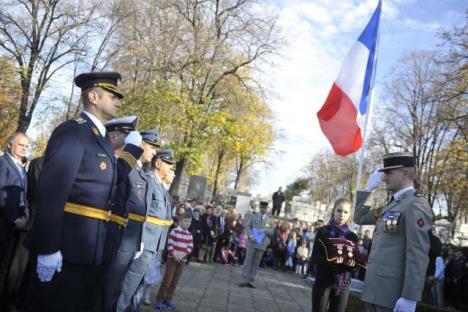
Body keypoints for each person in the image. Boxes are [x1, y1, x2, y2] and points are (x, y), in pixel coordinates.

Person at [22, 72, 143, 312]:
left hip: (90, 250)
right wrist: (48, 248)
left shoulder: (99, 139)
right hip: (65, 248)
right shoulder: (74, 132)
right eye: (113, 95)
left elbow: (111, 179)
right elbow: (52, 193)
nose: (118, 101)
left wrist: (130, 151)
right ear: (93, 96)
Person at [354, 152, 433, 312]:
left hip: (392, 297)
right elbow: (360, 218)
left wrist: (410, 297)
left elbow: (417, 254)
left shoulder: (416, 205)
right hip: (374, 291)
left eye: (388, 173)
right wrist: (368, 189)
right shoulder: (391, 205)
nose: (383, 178)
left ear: (405, 173)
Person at [102, 120, 159, 311]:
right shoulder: (127, 169)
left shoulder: (139, 172)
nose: (154, 152)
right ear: (140, 145)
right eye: (151, 146)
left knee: (118, 287)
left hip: (131, 237)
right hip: (122, 235)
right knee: (109, 287)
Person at [116, 149, 175, 312]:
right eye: (168, 164)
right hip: (144, 241)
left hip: (153, 244)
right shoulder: (149, 181)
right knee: (130, 283)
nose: (171, 168)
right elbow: (143, 213)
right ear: (158, 164)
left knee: (139, 284)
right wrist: (139, 240)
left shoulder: (161, 187)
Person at [311, 198, 362, 312]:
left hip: (342, 285)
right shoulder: (323, 232)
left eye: (345, 212)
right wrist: (332, 260)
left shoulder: (352, 237)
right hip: (323, 282)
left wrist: (352, 264)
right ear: (334, 211)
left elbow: (355, 262)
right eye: (339, 211)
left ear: (349, 215)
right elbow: (315, 257)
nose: (342, 215)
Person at [0, 132, 30, 309]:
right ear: (10, 145)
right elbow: (2, 194)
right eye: (21, 145)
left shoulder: (21, 167)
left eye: (27, 146)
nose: (24, 148)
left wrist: (25, 215)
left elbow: (23, 196)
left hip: (16, 226)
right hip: (4, 223)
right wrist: (14, 218)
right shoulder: (3, 164)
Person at [155, 212, 193, 310]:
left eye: (189, 222)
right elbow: (170, 244)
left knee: (175, 281)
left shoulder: (189, 234)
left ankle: (168, 299)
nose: (187, 223)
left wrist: (183, 255)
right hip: (172, 259)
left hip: (182, 260)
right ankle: (159, 299)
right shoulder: (174, 232)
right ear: (180, 221)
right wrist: (175, 254)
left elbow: (190, 247)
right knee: (167, 280)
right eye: (185, 221)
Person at [239, 201, 274, 288]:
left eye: (264, 208)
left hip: (261, 244)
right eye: (261, 208)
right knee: (248, 262)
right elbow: (247, 226)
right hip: (252, 242)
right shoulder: (254, 215)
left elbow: (272, 231)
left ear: (267, 209)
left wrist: (265, 230)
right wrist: (250, 235)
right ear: (260, 208)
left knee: (256, 263)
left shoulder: (269, 219)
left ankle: (251, 280)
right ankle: (243, 280)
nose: (263, 210)